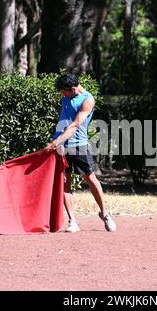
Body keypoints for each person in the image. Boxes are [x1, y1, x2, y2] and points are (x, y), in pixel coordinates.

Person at [45, 72, 116, 233]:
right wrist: (56, 139)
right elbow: (63, 119)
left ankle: (104, 213)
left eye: (64, 91)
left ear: (73, 89)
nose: (62, 95)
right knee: (64, 181)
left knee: (90, 178)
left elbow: (76, 125)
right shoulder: (66, 97)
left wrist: (57, 141)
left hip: (78, 146)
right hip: (62, 147)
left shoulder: (87, 100)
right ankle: (72, 221)